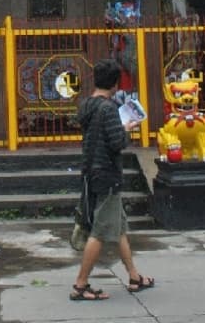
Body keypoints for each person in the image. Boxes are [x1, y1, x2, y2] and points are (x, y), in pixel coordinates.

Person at [70, 59, 155, 301]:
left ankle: (134, 276)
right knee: (100, 231)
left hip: (91, 171)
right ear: (115, 84)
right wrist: (126, 127)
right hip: (106, 173)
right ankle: (80, 284)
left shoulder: (86, 105)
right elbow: (117, 143)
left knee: (119, 227)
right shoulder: (107, 109)